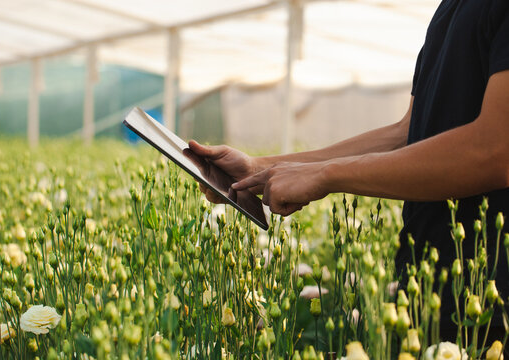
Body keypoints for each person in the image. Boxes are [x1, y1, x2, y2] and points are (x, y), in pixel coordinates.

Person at [188, 0, 509, 344]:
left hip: (490, 297)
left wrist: (327, 174)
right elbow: (408, 133)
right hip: (424, 285)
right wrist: (261, 167)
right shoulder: (449, 10)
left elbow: (495, 149)